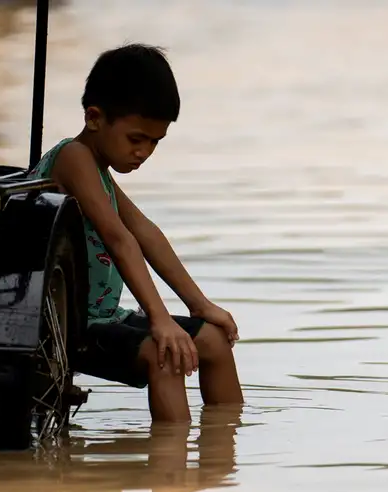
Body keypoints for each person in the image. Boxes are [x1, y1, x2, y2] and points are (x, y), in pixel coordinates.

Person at [27, 43, 243, 422]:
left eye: (154, 143)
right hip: (68, 325)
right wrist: (160, 320)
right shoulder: (74, 158)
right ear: (95, 118)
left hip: (105, 315)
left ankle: (223, 453)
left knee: (213, 340)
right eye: (136, 139)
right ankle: (172, 474)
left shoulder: (98, 167)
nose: (144, 152)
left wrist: (200, 305)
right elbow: (119, 238)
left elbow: (144, 231)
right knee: (167, 355)